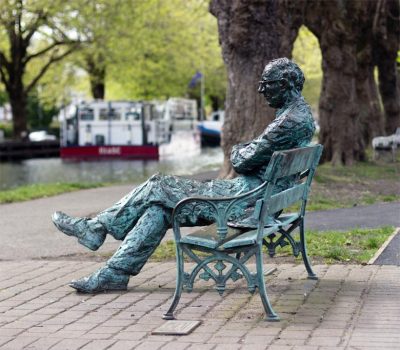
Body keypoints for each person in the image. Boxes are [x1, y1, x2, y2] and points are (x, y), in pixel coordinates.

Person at [52, 57, 316, 293]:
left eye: (266, 84)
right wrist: (245, 151)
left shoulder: (289, 121)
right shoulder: (297, 115)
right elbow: (248, 156)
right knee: (160, 209)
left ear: (283, 84)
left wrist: (242, 151)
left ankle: (96, 228)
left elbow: (242, 161)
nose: (261, 90)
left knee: (158, 185)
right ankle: (114, 273)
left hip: (244, 201)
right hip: (256, 198)